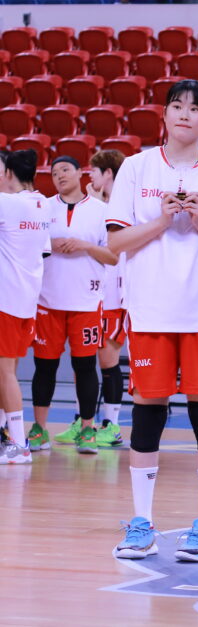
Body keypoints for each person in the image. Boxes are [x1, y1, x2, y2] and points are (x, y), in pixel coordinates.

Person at [107, 80, 198, 561]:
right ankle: (142, 523)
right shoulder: (136, 168)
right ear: (165, 115)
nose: (185, 113)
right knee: (147, 410)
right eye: (177, 105)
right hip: (149, 309)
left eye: (195, 108)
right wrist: (163, 221)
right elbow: (116, 243)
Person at [28, 156, 117, 455]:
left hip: (86, 302)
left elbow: (113, 257)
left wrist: (85, 246)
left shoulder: (102, 211)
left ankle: (88, 430)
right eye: (54, 173)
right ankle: (39, 429)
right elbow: (26, 248)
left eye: (65, 170)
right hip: (47, 301)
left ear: (81, 173)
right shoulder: (42, 209)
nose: (59, 176)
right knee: (45, 367)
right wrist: (49, 245)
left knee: (85, 366)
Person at [0, 150, 50, 465]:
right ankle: (8, 438)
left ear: (8, 173)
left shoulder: (7, 203)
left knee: (5, 373)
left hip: (6, 299)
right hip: (26, 300)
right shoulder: (42, 204)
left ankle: (18, 446)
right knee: (7, 371)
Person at [88, 150, 129, 446]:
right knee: (86, 360)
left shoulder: (124, 205)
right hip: (94, 293)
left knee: (108, 360)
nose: (89, 176)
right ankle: (86, 421)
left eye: (94, 171)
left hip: (117, 293)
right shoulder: (98, 205)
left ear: (108, 174)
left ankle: (112, 425)